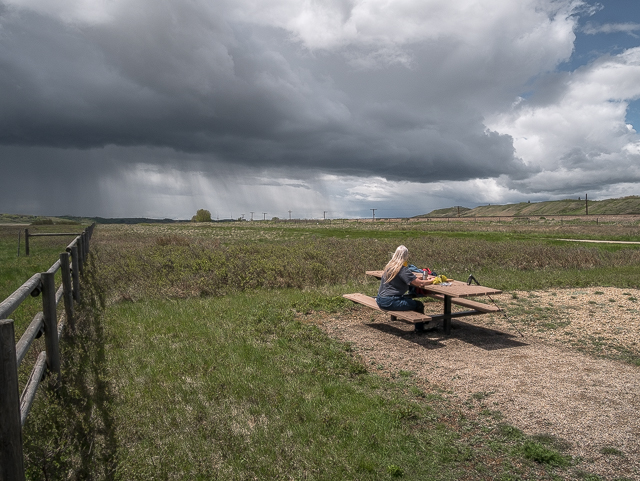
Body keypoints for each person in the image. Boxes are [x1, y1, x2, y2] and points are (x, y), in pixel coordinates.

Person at [376, 245, 436, 313]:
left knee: (409, 299)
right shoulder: (402, 269)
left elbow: (410, 278)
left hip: (380, 299)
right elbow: (420, 283)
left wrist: (422, 278)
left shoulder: (390, 267)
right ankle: (421, 322)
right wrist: (432, 280)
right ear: (406, 256)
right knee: (419, 305)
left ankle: (421, 322)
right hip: (390, 301)